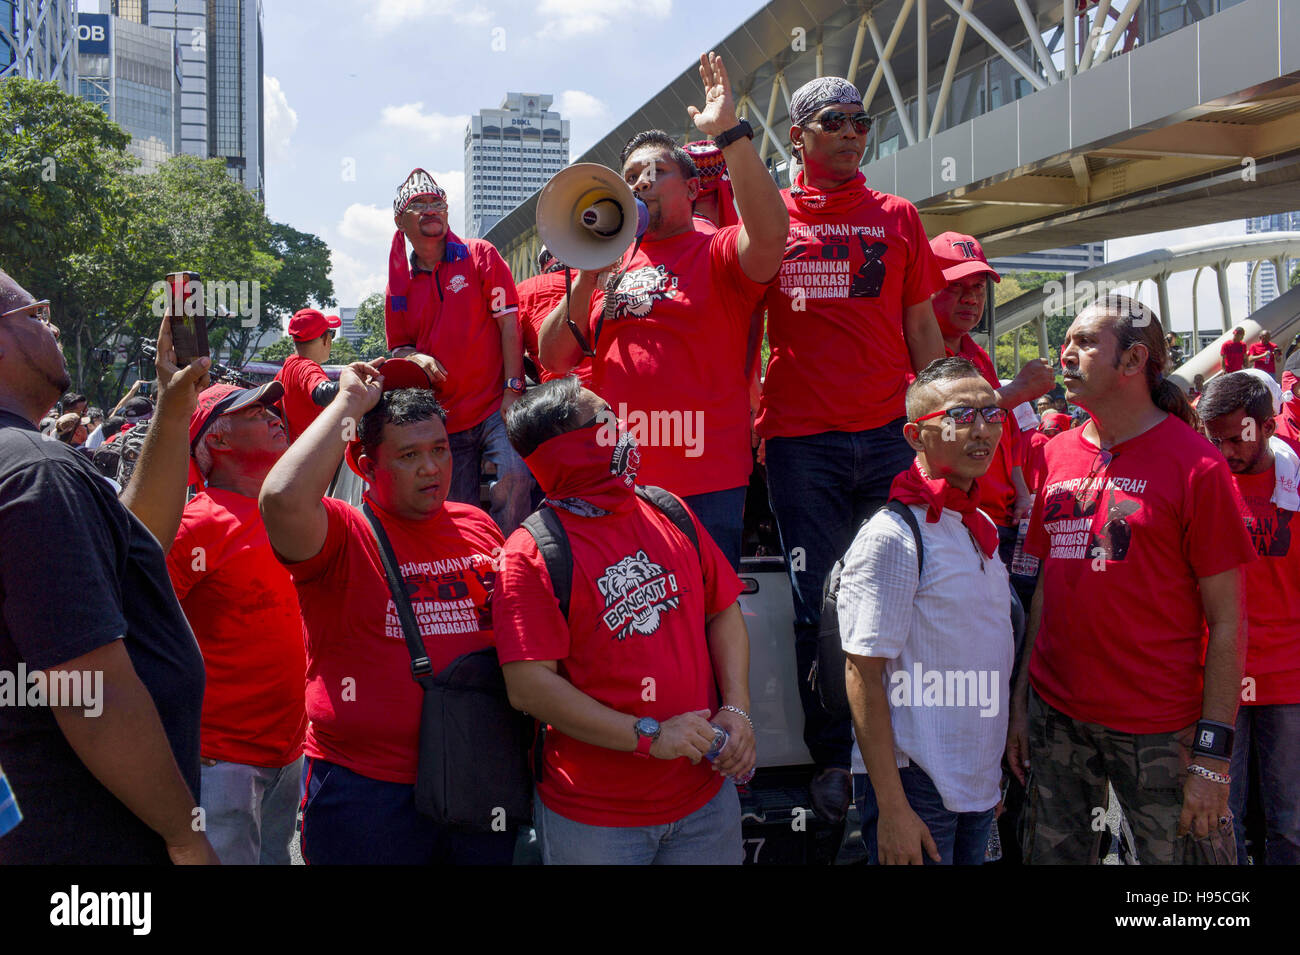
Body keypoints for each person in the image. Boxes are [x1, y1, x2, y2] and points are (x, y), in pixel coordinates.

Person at [755, 75, 948, 821]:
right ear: (797, 137)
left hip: (891, 437)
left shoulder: (898, 216)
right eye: (832, 121)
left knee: (908, 596)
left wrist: (936, 421)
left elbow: (923, 330)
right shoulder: (770, 219)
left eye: (861, 122)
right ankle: (834, 758)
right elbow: (745, 333)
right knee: (822, 606)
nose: (852, 133)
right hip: (804, 443)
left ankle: (905, 746)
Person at [1006, 295, 1256, 865]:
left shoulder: (1198, 466)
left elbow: (1227, 621)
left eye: (1085, 342)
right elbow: (1049, 585)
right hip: (1057, 719)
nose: (1065, 354)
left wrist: (1212, 759)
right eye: (1065, 341)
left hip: (1163, 732)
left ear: (1133, 360)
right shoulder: (1057, 454)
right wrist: (1022, 704)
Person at [539, 52, 788, 571]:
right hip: (617, 476)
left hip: (705, 480)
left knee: (707, 615)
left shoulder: (717, 250)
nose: (639, 183)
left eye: (655, 172)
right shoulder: (610, 262)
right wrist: (589, 270)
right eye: (629, 177)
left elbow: (770, 234)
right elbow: (555, 356)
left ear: (694, 188)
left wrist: (730, 135)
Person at [0, 268, 216, 864]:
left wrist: (172, 408)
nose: (53, 326)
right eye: (36, 316)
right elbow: (89, 691)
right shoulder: (37, 472)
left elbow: (130, 543)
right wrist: (185, 834)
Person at [259, 360, 513, 865]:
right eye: (409, 455)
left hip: (476, 779)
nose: (432, 468)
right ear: (364, 465)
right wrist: (350, 404)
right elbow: (282, 500)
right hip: (367, 790)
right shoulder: (341, 534)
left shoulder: (479, 524)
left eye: (440, 449)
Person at [493, 377, 754, 864]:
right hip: (597, 822)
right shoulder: (530, 554)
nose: (624, 429)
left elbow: (723, 610)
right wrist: (648, 737)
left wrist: (736, 710)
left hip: (704, 799)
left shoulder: (667, 509)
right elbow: (529, 688)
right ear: (569, 448)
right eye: (606, 421)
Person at [841, 357, 1012, 865]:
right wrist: (892, 808)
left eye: (992, 414)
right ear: (917, 436)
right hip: (917, 783)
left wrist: (989, 778)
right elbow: (861, 672)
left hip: (975, 783)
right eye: (961, 416)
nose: (982, 430)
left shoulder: (978, 525)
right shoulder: (893, 535)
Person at [165, 381, 307, 865]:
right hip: (220, 758)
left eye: (271, 406)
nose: (274, 415)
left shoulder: (292, 510)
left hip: (290, 748)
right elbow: (143, 630)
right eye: (254, 411)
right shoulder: (195, 525)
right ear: (218, 441)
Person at [384, 168, 532, 535]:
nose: (431, 209)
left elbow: (509, 324)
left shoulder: (479, 254)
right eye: (419, 204)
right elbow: (398, 348)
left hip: (496, 405)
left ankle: (513, 565)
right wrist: (413, 357)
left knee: (512, 477)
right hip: (441, 421)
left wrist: (513, 391)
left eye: (438, 203)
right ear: (400, 221)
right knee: (457, 510)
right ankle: (473, 571)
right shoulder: (397, 287)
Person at [1198, 371, 1300, 865]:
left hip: (1289, 677)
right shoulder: (1202, 481)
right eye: (1214, 438)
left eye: (1237, 438)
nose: (1225, 451)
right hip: (1218, 676)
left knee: (1291, 822)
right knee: (1218, 820)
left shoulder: (1295, 486)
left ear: (1269, 425)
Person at [927, 232, 1053, 602]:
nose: (971, 298)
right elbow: (941, 424)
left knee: (1011, 624)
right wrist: (1017, 392)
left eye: (979, 288)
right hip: (954, 519)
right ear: (927, 288)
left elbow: (1007, 431)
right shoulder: (913, 349)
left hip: (1001, 520)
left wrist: (1022, 492)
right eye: (956, 287)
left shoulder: (976, 355)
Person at [516, 247, 592, 386]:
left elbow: (511, 349)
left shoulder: (524, 290)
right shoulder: (596, 280)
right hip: (606, 385)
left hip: (557, 394)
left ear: (542, 268)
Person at [274, 308, 342, 442]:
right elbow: (322, 391)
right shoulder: (307, 367)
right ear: (325, 339)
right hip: (314, 456)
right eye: (331, 334)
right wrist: (354, 382)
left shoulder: (287, 367)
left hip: (292, 453)